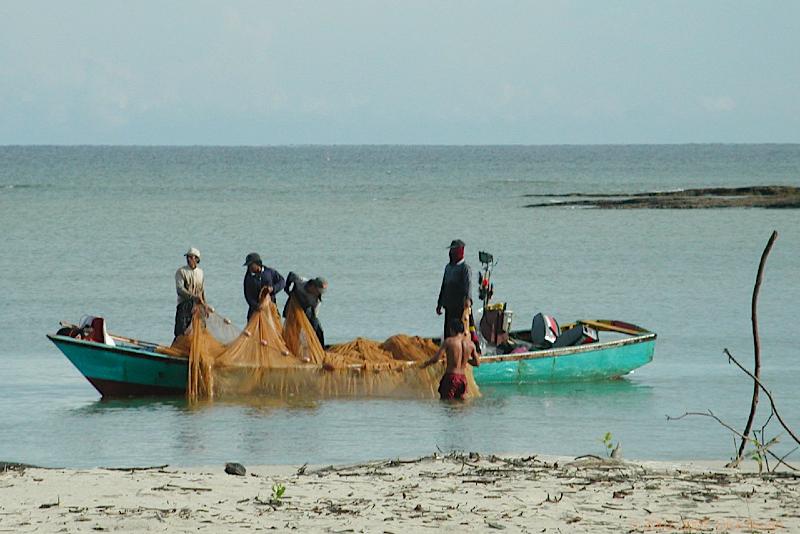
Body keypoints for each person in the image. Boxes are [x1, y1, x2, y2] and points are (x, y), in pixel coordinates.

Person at [436, 239, 480, 349]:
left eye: (454, 251)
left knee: (464, 330)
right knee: (448, 331)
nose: (451, 253)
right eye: (451, 251)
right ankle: (448, 352)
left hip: (461, 306)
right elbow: (444, 286)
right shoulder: (448, 267)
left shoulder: (465, 268)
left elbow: (467, 285)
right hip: (449, 305)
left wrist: (468, 300)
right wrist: (440, 303)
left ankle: (470, 350)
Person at [422, 317, 480, 400]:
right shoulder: (470, 344)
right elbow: (477, 363)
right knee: (461, 406)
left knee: (446, 404)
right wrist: (466, 360)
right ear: (463, 330)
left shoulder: (449, 341)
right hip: (462, 379)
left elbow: (436, 359)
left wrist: (426, 364)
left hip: (451, 378)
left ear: (452, 330)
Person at [283, 272, 327, 345]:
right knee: (292, 329)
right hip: (292, 307)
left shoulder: (316, 300)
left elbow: (314, 315)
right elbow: (291, 275)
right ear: (313, 286)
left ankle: (320, 348)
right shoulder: (301, 281)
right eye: (318, 291)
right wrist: (287, 288)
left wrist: (308, 324)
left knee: (318, 329)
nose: (319, 293)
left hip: (306, 310)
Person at [243, 252, 286, 322]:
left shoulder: (269, 272)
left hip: (271, 310)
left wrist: (273, 288)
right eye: (248, 265)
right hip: (255, 312)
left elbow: (282, 282)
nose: (249, 267)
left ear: (258, 263)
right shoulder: (248, 279)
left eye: (251, 265)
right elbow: (248, 296)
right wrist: (257, 306)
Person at [174, 247, 206, 339]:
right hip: (184, 305)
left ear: (197, 259)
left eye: (191, 257)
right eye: (187, 257)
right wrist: (193, 297)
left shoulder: (200, 273)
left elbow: (202, 291)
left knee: (200, 330)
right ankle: (177, 349)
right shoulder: (181, 271)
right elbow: (180, 289)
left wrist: (205, 305)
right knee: (181, 331)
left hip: (198, 306)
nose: (188, 259)